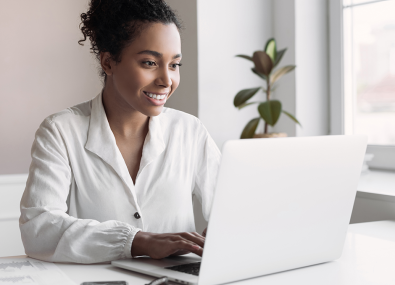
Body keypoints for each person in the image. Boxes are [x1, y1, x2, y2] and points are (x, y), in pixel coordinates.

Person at [19, 0, 221, 264]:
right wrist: (137, 241)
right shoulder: (60, 132)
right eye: (150, 63)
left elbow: (233, 209)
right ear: (108, 62)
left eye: (174, 65)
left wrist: (224, 233)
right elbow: (39, 230)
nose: (166, 80)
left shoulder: (190, 131)